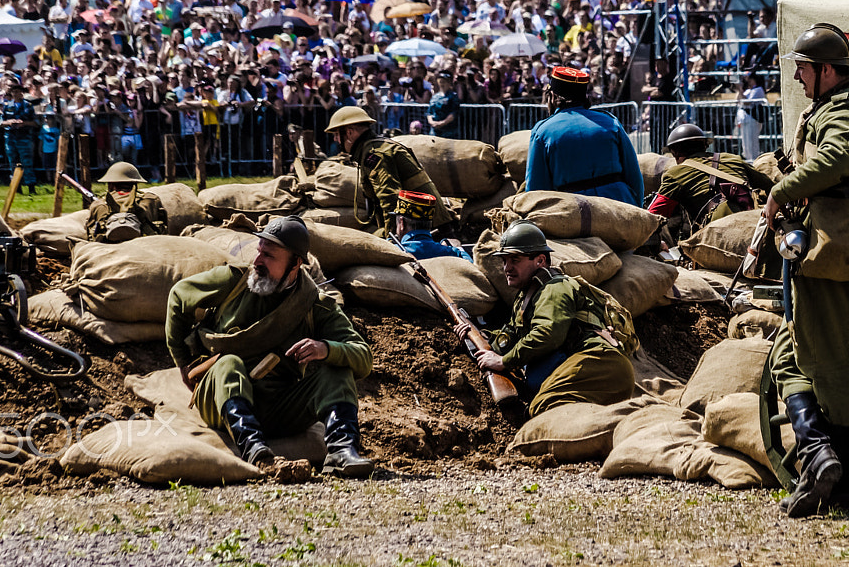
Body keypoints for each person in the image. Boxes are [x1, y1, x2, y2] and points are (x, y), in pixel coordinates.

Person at [763, 22, 849, 519]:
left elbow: (836, 159)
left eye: (802, 69)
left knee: (828, 362)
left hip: (834, 247)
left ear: (825, 71)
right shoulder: (832, 108)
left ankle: (840, 485)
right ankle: (819, 458)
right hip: (818, 246)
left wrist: (782, 191)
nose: (796, 78)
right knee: (791, 358)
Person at [165, 215, 375, 477]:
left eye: (269, 256)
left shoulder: (314, 306)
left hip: (279, 406)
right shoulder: (234, 282)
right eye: (259, 251)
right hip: (221, 396)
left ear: (296, 263)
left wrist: (326, 349)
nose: (257, 262)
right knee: (229, 363)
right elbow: (178, 297)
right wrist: (183, 361)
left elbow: (363, 357)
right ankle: (255, 450)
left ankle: (342, 452)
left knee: (336, 370)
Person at [476, 222, 633, 416]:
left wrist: (504, 361)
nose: (506, 267)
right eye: (504, 260)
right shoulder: (527, 296)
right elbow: (511, 336)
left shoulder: (554, 288)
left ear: (540, 260)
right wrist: (478, 335)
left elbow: (548, 333)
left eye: (515, 259)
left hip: (601, 366)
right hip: (593, 367)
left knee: (543, 409)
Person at [322, 104, 448, 246]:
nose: (335, 140)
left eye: (337, 134)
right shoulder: (376, 148)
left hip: (425, 229)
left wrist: (391, 241)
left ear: (350, 133)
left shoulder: (375, 154)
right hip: (422, 224)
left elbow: (390, 199)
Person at [524, 66, 643, 205]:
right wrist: (637, 209)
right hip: (620, 206)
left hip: (573, 212)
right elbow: (633, 175)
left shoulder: (542, 132)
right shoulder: (611, 122)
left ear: (554, 96)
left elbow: (536, 189)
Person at [646, 122, 772, 232]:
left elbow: (653, 216)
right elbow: (771, 187)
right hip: (755, 222)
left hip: (718, 232)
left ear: (675, 153)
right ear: (705, 145)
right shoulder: (732, 159)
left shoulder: (675, 174)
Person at [86, 161, 168, 242]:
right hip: (146, 245)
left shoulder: (98, 205)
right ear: (135, 183)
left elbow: (90, 234)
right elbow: (163, 228)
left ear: (110, 184)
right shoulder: (151, 200)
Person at [0, 77, 37, 196]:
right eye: (14, 91)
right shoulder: (7, 106)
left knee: (27, 162)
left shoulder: (28, 106)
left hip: (24, 137)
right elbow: (1, 122)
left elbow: (35, 122)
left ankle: (31, 187)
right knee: (13, 163)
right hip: (10, 137)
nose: (16, 93)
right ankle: (16, 187)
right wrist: (10, 122)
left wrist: (23, 123)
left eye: (18, 91)